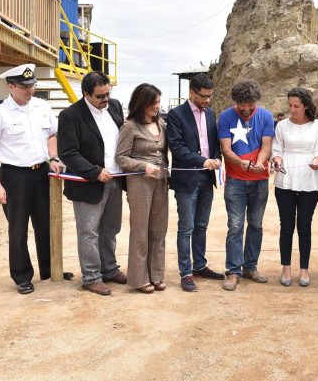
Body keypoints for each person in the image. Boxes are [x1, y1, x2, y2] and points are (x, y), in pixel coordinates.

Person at [0, 64, 70, 294]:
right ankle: (22, 276)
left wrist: (54, 157)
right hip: (13, 176)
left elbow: (51, 133)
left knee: (46, 224)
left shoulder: (41, 106)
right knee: (18, 230)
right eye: (25, 87)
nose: (31, 91)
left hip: (41, 173)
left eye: (32, 86)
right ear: (11, 87)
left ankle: (50, 269)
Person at [58, 72, 126, 296]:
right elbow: (68, 153)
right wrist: (95, 172)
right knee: (89, 232)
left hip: (115, 180)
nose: (105, 99)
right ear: (86, 94)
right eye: (100, 96)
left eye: (108, 93)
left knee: (111, 229)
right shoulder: (70, 115)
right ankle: (90, 277)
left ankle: (109, 269)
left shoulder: (115, 107)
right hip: (89, 184)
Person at [166, 74, 224, 292]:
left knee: (201, 226)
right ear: (192, 92)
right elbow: (177, 147)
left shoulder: (210, 114)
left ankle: (200, 266)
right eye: (204, 96)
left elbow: (213, 142)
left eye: (210, 96)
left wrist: (217, 157)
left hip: (206, 179)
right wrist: (203, 160)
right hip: (187, 179)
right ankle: (186, 273)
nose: (207, 101)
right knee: (186, 228)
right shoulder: (175, 115)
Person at [218, 79, 275, 291]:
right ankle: (233, 271)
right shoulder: (225, 117)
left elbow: (266, 146)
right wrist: (242, 163)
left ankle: (250, 267)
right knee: (235, 226)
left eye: (250, 106)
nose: (246, 110)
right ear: (236, 103)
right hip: (235, 180)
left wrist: (259, 164)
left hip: (259, 181)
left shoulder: (266, 116)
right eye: (242, 106)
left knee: (256, 225)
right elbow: (226, 149)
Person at [271, 88, 318, 287]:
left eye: (296, 106)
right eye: (290, 106)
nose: (292, 110)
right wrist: (277, 160)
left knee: (304, 226)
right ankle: (286, 268)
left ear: (305, 106)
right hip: (285, 181)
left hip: (309, 180)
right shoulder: (281, 126)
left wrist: (317, 159)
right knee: (286, 226)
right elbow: (277, 149)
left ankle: (304, 269)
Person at [115, 84, 169, 293]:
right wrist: (142, 166)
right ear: (143, 103)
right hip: (140, 183)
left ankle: (156, 274)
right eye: (154, 102)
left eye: (158, 102)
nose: (158, 106)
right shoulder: (129, 127)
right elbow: (120, 157)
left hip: (160, 181)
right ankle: (139, 278)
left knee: (159, 229)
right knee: (140, 230)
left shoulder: (161, 123)